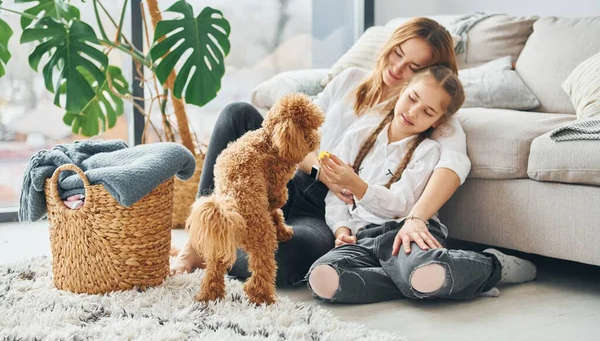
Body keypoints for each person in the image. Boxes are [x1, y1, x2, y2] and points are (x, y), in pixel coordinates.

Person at [171, 17, 470, 286]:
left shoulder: (428, 117)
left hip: (324, 211)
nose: (397, 68)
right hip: (290, 175)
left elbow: (453, 166)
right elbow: (297, 133)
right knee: (238, 114)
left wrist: (416, 218)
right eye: (397, 53)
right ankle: (198, 242)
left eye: (413, 68)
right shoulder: (350, 80)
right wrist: (321, 172)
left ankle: (222, 244)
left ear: (430, 75)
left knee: (287, 263)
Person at [307, 66, 537, 303]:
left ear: (438, 121)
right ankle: (443, 282)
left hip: (405, 234)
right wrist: (342, 229)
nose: (413, 112)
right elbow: (336, 191)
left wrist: (357, 185)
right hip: (361, 237)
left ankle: (492, 267)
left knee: (424, 273)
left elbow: (400, 205)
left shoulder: (428, 151)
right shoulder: (359, 134)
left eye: (427, 112)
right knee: (322, 279)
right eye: (412, 98)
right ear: (402, 90)